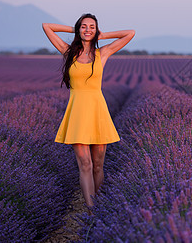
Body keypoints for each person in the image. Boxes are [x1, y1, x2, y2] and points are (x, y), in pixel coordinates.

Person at [42, 13, 135, 207]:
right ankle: (91, 211)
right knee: (85, 164)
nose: (87, 30)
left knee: (98, 165)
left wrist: (102, 35)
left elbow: (130, 33)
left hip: (97, 112)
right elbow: (47, 26)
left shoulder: (104, 53)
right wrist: (75, 29)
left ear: (96, 30)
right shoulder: (68, 52)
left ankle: (98, 204)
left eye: (91, 27)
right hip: (77, 113)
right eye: (84, 26)